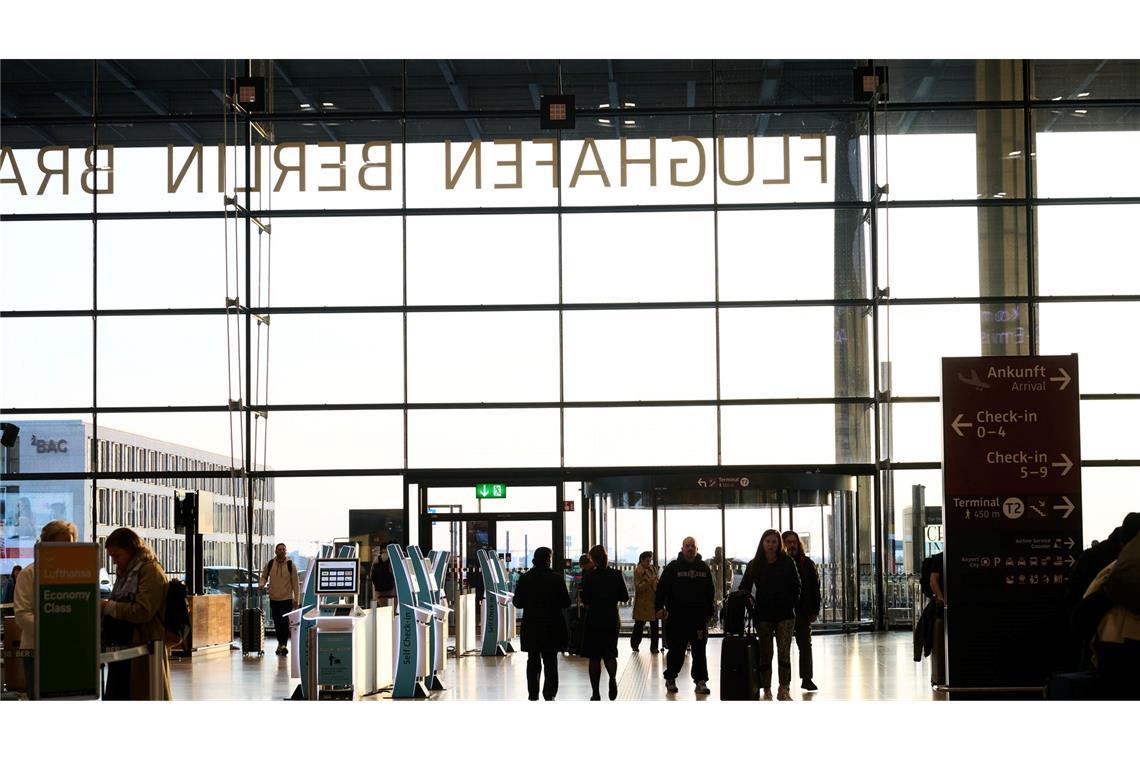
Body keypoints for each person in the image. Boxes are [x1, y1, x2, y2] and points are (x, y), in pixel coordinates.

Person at [101, 527, 171, 700]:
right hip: (124, 645)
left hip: (143, 644)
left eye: (117, 556)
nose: (115, 562)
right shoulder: (127, 573)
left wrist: (109, 607)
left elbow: (143, 611)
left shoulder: (150, 571)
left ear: (131, 550)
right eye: (112, 557)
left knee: (142, 692)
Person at [13, 521, 77, 697]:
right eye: (60, 545)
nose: (66, 551)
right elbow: (22, 615)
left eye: (70, 546)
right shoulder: (29, 574)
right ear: (46, 545)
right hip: (38, 651)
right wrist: (54, 631)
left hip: (69, 650)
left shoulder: (76, 573)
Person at [738, 529, 800, 700]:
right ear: (762, 543)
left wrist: (792, 603)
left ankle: (784, 688)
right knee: (765, 652)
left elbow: (796, 585)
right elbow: (744, 588)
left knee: (784, 652)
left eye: (774, 541)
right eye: (768, 541)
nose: (771, 545)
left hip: (785, 614)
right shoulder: (754, 564)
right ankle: (766, 688)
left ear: (778, 543)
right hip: (763, 614)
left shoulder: (787, 562)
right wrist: (751, 609)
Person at [656, 536, 715, 695]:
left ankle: (701, 681)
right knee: (676, 651)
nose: (690, 549)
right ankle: (670, 678)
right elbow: (661, 589)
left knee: (699, 651)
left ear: (697, 549)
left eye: (692, 546)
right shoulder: (673, 568)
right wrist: (658, 607)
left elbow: (710, 592)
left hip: (698, 618)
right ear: (682, 548)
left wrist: (710, 612)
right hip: (677, 618)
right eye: (687, 546)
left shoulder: (703, 568)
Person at [511, 547, 571, 700]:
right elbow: (566, 602)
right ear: (548, 559)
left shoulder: (525, 578)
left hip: (532, 625)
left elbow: (517, 603)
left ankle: (533, 693)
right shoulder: (556, 578)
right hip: (552, 625)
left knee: (533, 659)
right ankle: (549, 694)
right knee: (550, 661)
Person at [578, 544, 628, 700]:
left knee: (594, 657)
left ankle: (595, 693)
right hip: (611, 618)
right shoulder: (616, 574)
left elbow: (585, 599)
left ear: (592, 559)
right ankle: (612, 679)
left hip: (594, 618)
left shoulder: (589, 576)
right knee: (610, 653)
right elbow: (625, 597)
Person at [783, 530, 821, 691]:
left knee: (805, 645)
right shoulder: (780, 564)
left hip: (803, 612)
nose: (791, 545)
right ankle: (785, 683)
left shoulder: (807, 563)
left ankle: (807, 678)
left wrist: (815, 610)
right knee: (783, 648)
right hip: (783, 611)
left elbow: (815, 588)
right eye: (788, 542)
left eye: (794, 542)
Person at [259, 542, 300, 656]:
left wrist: (297, 599)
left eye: (283, 549)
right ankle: (280, 643)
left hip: (286, 599)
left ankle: (283, 644)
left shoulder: (291, 565)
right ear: (275, 551)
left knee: (284, 622)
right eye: (279, 549)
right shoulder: (270, 564)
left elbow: (296, 584)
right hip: (274, 598)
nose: (281, 551)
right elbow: (264, 576)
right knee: (277, 622)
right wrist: (261, 584)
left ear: (285, 551)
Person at [630, 551, 659, 653]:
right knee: (639, 625)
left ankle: (654, 647)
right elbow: (638, 588)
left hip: (653, 601)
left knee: (655, 625)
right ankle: (634, 644)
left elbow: (656, 581)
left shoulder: (652, 569)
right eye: (647, 561)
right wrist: (649, 582)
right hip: (642, 603)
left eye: (650, 560)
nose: (649, 563)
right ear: (641, 560)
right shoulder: (638, 571)